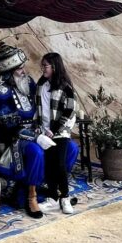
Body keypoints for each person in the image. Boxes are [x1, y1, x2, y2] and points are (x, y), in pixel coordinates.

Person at [0, 42, 49, 219]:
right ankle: (31, 197)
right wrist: (36, 138)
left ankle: (52, 187)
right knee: (36, 152)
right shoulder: (1, 93)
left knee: (70, 148)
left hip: (38, 130)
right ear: (8, 72)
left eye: (23, 67)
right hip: (14, 139)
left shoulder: (28, 83)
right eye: (19, 68)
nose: (24, 71)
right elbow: (7, 126)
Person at [36, 52, 80, 214]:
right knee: (49, 164)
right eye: (42, 66)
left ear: (54, 67)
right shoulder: (41, 83)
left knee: (59, 165)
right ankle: (53, 198)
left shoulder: (65, 87)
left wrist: (53, 130)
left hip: (59, 133)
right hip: (44, 131)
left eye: (45, 66)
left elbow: (69, 111)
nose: (43, 69)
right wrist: (39, 126)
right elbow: (38, 107)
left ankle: (65, 197)